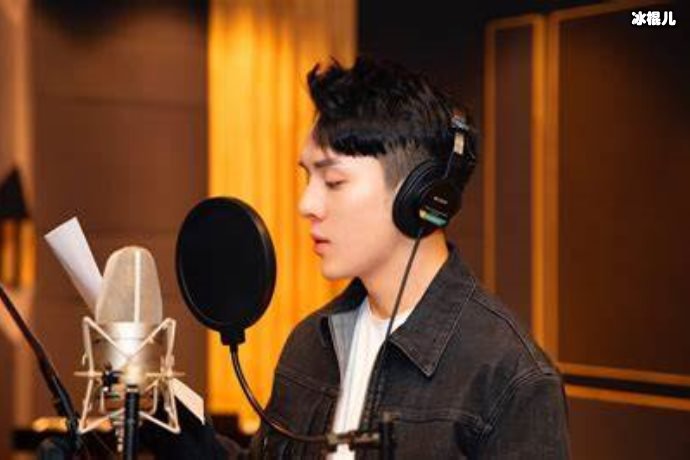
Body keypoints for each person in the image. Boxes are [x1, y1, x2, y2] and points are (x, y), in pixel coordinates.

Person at [148, 56, 570, 459]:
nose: (307, 204)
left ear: (420, 197)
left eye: (333, 181)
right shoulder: (310, 343)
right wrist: (160, 415)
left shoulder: (509, 379)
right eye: (308, 177)